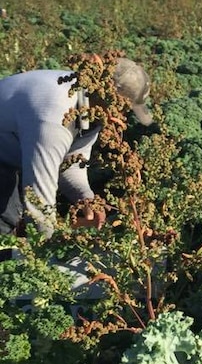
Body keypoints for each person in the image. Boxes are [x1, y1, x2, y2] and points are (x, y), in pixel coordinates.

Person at [0, 58, 154, 237]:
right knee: (6, 227)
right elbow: (39, 200)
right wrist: (44, 253)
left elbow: (70, 163)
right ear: (108, 97)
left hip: (7, 152)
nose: (122, 117)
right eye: (122, 109)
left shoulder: (90, 106)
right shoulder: (54, 119)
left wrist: (86, 199)